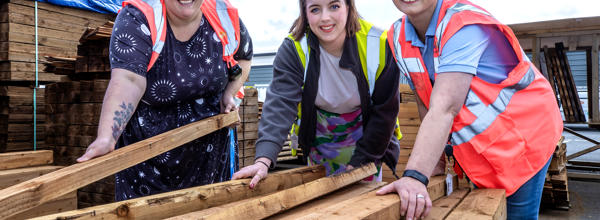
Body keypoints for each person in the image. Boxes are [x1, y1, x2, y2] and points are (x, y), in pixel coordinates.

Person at [376, 0, 563, 219]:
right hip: (488, 145)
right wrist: (434, 162)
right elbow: (424, 98)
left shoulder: (463, 24)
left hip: (526, 134)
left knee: (514, 214)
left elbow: (445, 107)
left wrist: (415, 176)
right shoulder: (398, 36)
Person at [76, 0, 253, 201]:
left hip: (210, 157)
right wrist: (107, 136)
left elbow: (244, 56)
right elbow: (129, 80)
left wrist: (230, 92)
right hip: (149, 165)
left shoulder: (224, 15)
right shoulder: (138, 17)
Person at [233, 0, 402, 188]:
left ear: (348, 7)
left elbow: (385, 112)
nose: (325, 18)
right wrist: (263, 160)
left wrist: (361, 163)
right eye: (315, 9)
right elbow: (280, 104)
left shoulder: (378, 44)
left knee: (361, 202)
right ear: (305, 13)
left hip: (369, 138)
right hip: (319, 139)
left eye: (334, 6)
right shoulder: (294, 49)